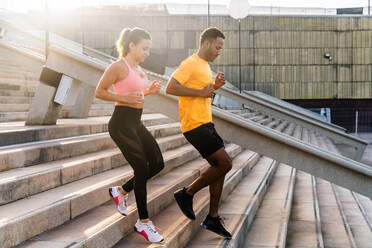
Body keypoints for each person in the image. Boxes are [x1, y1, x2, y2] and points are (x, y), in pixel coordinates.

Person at [95, 27, 164, 243]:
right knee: (141, 168)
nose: (147, 52)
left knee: (157, 163)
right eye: (144, 48)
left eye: (149, 49)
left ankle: (121, 191)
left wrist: (148, 92)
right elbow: (100, 91)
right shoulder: (118, 66)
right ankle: (143, 222)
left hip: (135, 123)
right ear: (132, 46)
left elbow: (134, 92)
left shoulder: (138, 68)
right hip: (121, 124)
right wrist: (125, 99)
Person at [165, 27, 232, 239]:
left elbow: (203, 95)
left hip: (205, 122)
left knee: (219, 167)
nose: (219, 51)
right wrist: (201, 92)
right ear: (207, 43)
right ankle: (186, 194)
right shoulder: (190, 63)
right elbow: (170, 87)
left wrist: (214, 87)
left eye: (221, 48)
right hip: (194, 125)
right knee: (225, 163)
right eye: (218, 47)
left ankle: (213, 217)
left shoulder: (204, 66)